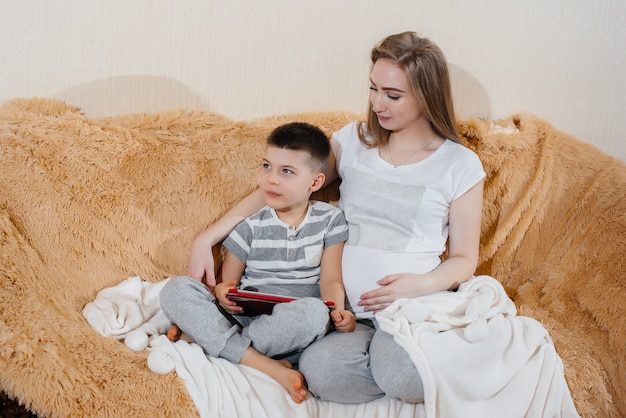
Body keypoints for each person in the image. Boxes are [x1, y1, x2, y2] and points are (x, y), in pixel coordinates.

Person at [186, 31, 486, 404]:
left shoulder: (459, 164)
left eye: (392, 95)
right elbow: (282, 187)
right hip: (347, 316)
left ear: (427, 95)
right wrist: (208, 238)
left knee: (405, 379)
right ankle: (381, 357)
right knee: (322, 375)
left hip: (409, 307)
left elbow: (464, 259)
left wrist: (417, 285)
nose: (378, 103)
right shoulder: (354, 142)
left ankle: (401, 358)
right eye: (374, 88)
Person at [159, 122, 355, 404]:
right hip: (245, 314)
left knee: (314, 314)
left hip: (290, 324)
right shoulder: (249, 225)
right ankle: (266, 365)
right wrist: (223, 295)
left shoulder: (330, 220)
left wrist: (337, 311)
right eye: (266, 166)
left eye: (286, 171)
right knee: (175, 289)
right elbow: (228, 284)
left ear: (314, 182)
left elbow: (331, 280)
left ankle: (213, 340)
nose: (271, 179)